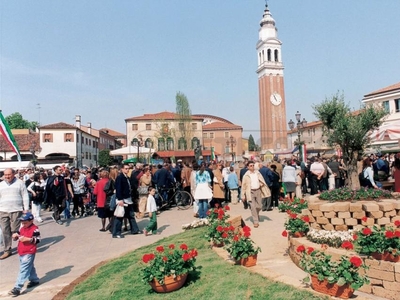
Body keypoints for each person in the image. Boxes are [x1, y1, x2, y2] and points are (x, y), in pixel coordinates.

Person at [8, 212, 41, 297]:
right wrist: (15, 236)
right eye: (22, 223)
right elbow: (18, 235)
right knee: (29, 266)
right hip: (22, 251)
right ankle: (34, 280)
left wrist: (29, 239)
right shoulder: (22, 228)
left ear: (31, 221)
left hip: (29, 251)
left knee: (24, 269)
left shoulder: (35, 229)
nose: (23, 224)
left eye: (25, 222)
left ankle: (17, 287)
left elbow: (38, 240)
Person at [0, 168, 30, 260]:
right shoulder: (1, 184)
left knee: (14, 230)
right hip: (3, 210)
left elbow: (25, 195)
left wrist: (26, 208)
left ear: (14, 174)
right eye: (5, 175)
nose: (7, 176)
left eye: (9, 174)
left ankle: (21, 244)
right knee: (5, 230)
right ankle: (7, 250)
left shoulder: (20, 183)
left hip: (16, 209)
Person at [113, 164, 141, 238]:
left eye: (128, 168)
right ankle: (116, 233)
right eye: (126, 168)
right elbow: (118, 189)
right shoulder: (120, 177)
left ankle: (135, 229)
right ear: (122, 169)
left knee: (131, 215)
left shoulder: (127, 177)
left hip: (128, 199)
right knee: (120, 216)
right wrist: (120, 199)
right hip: (123, 200)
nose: (127, 170)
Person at [241, 161, 270, 228]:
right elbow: (243, 186)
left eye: (253, 165)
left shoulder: (257, 173)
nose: (252, 167)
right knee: (253, 207)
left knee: (259, 206)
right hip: (250, 192)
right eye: (251, 166)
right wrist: (243, 195)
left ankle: (257, 214)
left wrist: (261, 185)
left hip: (258, 190)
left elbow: (262, 180)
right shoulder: (246, 175)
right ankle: (255, 221)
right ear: (248, 167)